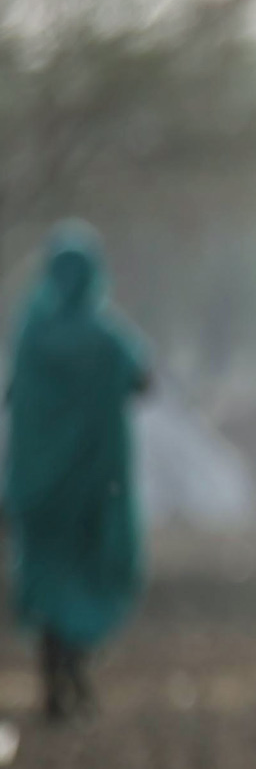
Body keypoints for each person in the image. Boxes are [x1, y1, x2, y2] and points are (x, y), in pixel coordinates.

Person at [6, 224, 154, 721]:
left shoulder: (31, 334)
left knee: (48, 583)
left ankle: (55, 681)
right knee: (87, 577)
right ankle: (75, 673)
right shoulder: (106, 337)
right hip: (93, 488)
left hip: (38, 490)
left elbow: (12, 396)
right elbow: (144, 380)